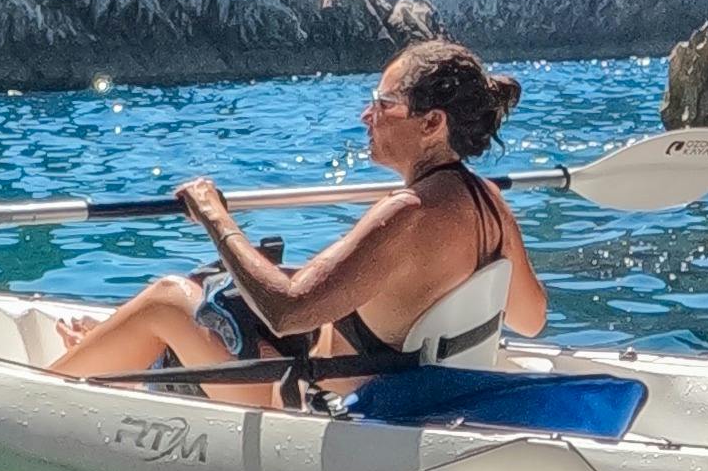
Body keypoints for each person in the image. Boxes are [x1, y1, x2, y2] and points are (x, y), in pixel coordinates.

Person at [47, 41, 552, 405]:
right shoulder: (488, 205)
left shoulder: (407, 213)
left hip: (329, 415)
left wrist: (213, 216)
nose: (366, 116)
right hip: (420, 395)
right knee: (231, 302)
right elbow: (531, 319)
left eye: (382, 103)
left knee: (169, 298)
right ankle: (119, 352)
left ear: (431, 122)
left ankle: (42, 392)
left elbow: (289, 312)